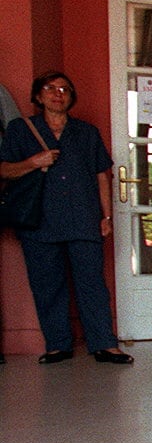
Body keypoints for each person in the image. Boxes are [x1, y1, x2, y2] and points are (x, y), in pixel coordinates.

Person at [0, 72, 132, 364]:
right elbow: (4, 170)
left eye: (64, 89)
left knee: (92, 284)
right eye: (50, 88)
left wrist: (106, 215)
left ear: (71, 97)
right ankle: (58, 344)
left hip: (83, 217)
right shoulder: (20, 129)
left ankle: (104, 343)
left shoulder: (86, 132)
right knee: (47, 284)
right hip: (39, 220)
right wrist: (33, 162)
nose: (57, 94)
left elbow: (102, 175)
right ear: (38, 96)